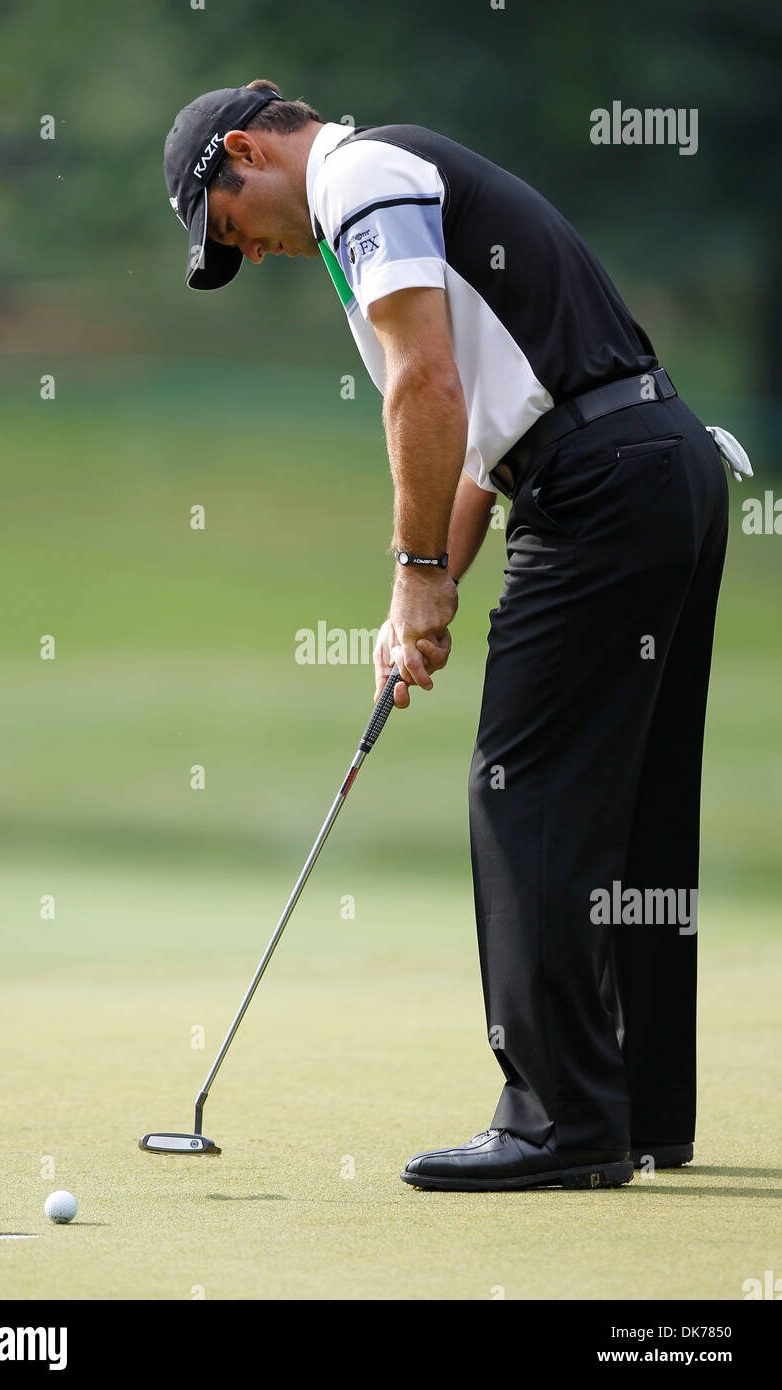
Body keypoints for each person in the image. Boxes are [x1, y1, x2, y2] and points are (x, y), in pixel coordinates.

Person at [164, 80, 748, 1191]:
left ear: (245, 150)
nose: (259, 252)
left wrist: (416, 571)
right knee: (634, 801)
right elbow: (480, 437)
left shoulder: (357, 178)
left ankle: (559, 1119)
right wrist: (420, 603)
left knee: (519, 788)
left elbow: (420, 386)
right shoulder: (394, 185)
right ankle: (638, 1109)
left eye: (235, 227)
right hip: (653, 462)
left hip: (599, 485)